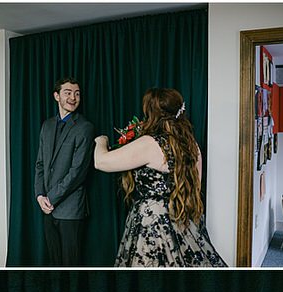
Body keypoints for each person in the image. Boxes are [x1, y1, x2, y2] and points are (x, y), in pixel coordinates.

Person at [93, 88, 226, 268]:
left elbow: (101, 162)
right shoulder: (191, 145)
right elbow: (196, 186)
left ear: (151, 112)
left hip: (152, 223)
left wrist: (101, 142)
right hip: (182, 219)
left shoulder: (150, 143)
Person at [33, 76, 95, 266]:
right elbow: (40, 164)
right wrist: (40, 195)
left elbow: (77, 173)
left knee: (71, 265)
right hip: (47, 208)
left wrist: (50, 198)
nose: (73, 98)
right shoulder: (47, 125)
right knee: (54, 263)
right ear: (56, 96)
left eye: (77, 94)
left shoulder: (85, 127)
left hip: (70, 210)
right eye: (67, 93)